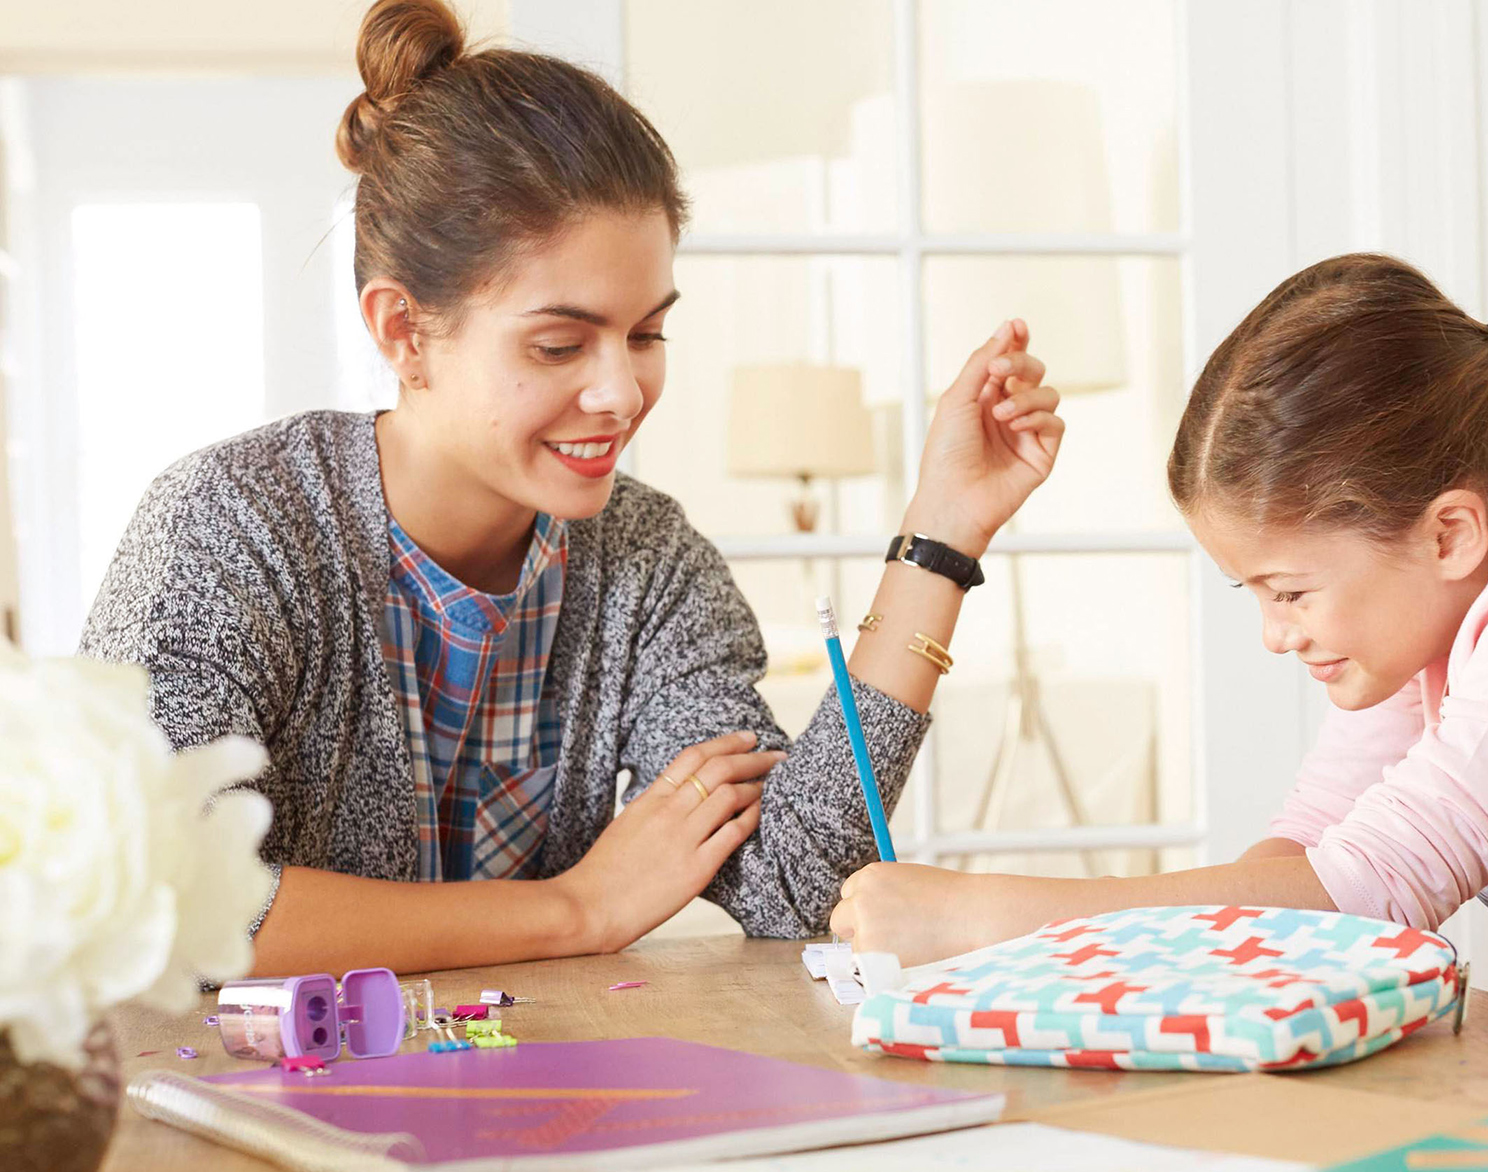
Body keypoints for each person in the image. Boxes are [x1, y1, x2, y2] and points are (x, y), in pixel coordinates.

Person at [79, 0, 1063, 976]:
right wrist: (571, 907)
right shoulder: (229, 526)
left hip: (534, 1099)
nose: (620, 390)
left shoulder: (645, 559)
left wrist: (939, 533)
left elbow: (792, 882)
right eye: (559, 343)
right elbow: (173, 901)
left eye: (646, 333)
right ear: (402, 332)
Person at [834, 252, 1488, 1086]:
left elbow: (1366, 893)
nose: (1274, 632)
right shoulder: (1426, 618)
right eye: (1254, 594)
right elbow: (1298, 863)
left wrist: (980, 917)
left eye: (1291, 590)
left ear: (1449, 531)